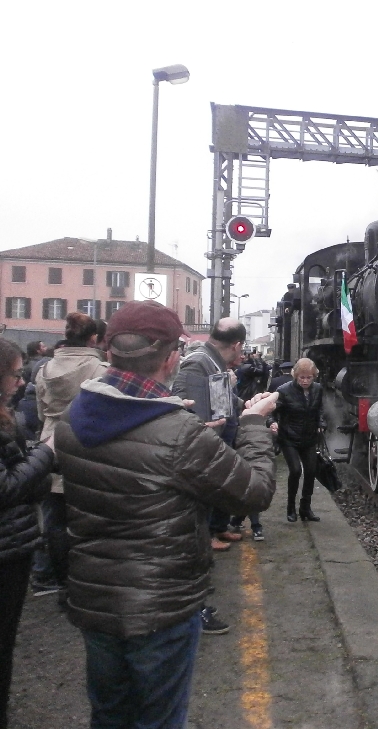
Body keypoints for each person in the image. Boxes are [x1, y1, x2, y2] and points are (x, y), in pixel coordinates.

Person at [54, 301, 277, 729]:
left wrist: (193, 440)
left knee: (109, 714)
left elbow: (131, 466)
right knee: (159, 718)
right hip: (160, 607)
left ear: (109, 353)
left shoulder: (70, 421)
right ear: (172, 358)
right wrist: (251, 423)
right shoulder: (179, 433)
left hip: (95, 600)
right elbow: (254, 493)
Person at [31, 313, 107, 597]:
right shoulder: (100, 369)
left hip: (50, 442)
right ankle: (81, 580)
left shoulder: (45, 369)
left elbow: (40, 411)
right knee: (88, 519)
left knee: (53, 518)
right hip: (86, 445)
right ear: (93, 339)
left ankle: (56, 579)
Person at [0, 338, 55, 729]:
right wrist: (45, 453)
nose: (21, 382)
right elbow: (6, 487)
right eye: (16, 374)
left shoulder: (9, 414)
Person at [172, 320, 251, 551]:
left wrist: (243, 403)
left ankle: (217, 527)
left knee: (219, 486)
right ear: (236, 345)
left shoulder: (213, 361)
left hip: (219, 437)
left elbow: (219, 397)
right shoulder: (198, 363)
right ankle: (204, 535)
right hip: (204, 441)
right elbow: (186, 402)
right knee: (205, 490)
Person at [272, 358, 325, 522]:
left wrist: (322, 423)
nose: (305, 381)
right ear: (296, 376)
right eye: (302, 377)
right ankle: (290, 507)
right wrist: (272, 422)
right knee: (295, 470)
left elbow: (320, 409)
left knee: (310, 471)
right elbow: (273, 410)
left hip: (309, 437)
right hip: (289, 437)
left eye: (309, 378)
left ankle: (305, 508)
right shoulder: (284, 390)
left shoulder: (317, 389)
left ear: (313, 377)